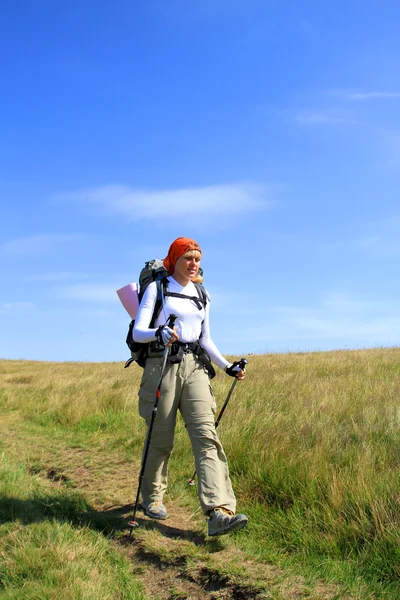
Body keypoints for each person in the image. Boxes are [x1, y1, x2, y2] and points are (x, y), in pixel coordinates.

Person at [132, 237, 248, 536]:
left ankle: (218, 511)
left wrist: (227, 366)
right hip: (163, 365)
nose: (194, 263)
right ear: (175, 259)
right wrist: (159, 333)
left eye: (197, 258)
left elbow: (205, 338)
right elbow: (139, 331)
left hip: (195, 368)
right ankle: (153, 497)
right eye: (188, 258)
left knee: (206, 436)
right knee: (161, 438)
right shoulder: (159, 289)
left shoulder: (202, 294)